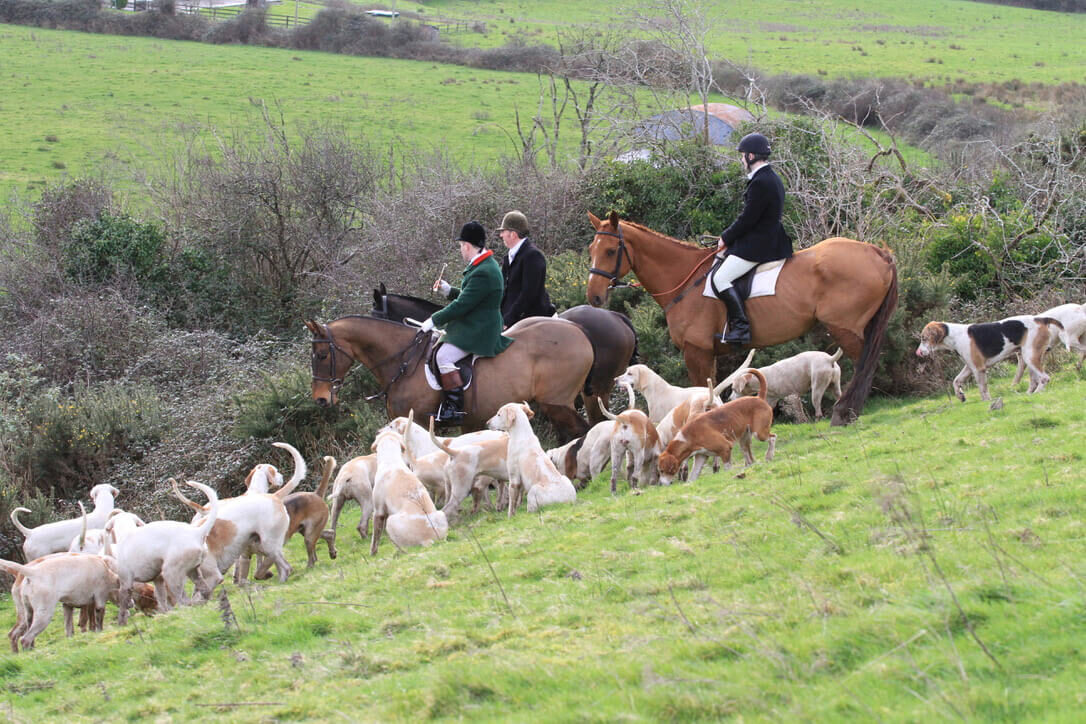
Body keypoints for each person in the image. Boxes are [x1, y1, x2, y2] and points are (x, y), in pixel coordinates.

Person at [703, 132, 793, 346]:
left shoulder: (761, 181)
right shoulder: (771, 177)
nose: (742, 159)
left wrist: (726, 237)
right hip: (769, 237)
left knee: (720, 278)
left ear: (751, 156)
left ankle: (741, 328)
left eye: (743, 155)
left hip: (759, 244)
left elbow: (748, 219)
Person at [422, 221, 513, 424]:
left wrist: (434, 320)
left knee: (443, 356)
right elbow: (470, 296)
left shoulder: (484, 271)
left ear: (468, 245)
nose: (461, 249)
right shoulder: (482, 265)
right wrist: (449, 291)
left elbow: (463, 305)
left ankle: (454, 409)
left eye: (461, 245)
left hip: (481, 327)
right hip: (476, 320)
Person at [496, 210, 556, 328]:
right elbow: (504, 291)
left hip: (531, 322)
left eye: (503, 231)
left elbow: (528, 294)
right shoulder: (508, 257)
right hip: (511, 320)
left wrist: (508, 320)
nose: (501, 235)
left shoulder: (533, 256)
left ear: (513, 234)